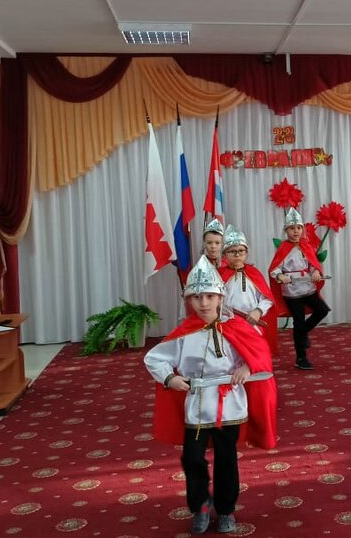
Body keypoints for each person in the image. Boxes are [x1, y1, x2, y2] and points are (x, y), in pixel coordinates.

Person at [144, 257, 277, 535]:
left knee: (226, 459)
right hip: (198, 404)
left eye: (209, 296)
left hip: (229, 404)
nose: (203, 303)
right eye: (197, 297)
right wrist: (170, 377)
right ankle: (201, 504)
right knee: (192, 457)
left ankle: (226, 509)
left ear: (220, 297)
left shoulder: (238, 328)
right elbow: (155, 358)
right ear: (189, 301)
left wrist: (247, 365)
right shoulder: (183, 334)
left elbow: (260, 353)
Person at [268, 207, 330, 370]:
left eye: (298, 228)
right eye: (292, 228)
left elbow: (312, 265)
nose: (295, 231)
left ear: (302, 229)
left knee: (322, 310)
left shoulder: (306, 246)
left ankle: (303, 333)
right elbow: (274, 269)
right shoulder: (283, 248)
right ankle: (301, 358)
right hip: (292, 291)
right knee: (299, 321)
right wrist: (280, 276)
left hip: (307, 287)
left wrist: (316, 271)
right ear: (286, 230)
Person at [218, 224, 278, 355]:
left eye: (241, 251)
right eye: (232, 251)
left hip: (252, 322)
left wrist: (258, 311)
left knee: (254, 354)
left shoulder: (254, 273)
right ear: (224, 255)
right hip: (229, 323)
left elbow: (267, 298)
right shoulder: (219, 276)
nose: (237, 254)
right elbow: (215, 300)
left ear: (246, 253)